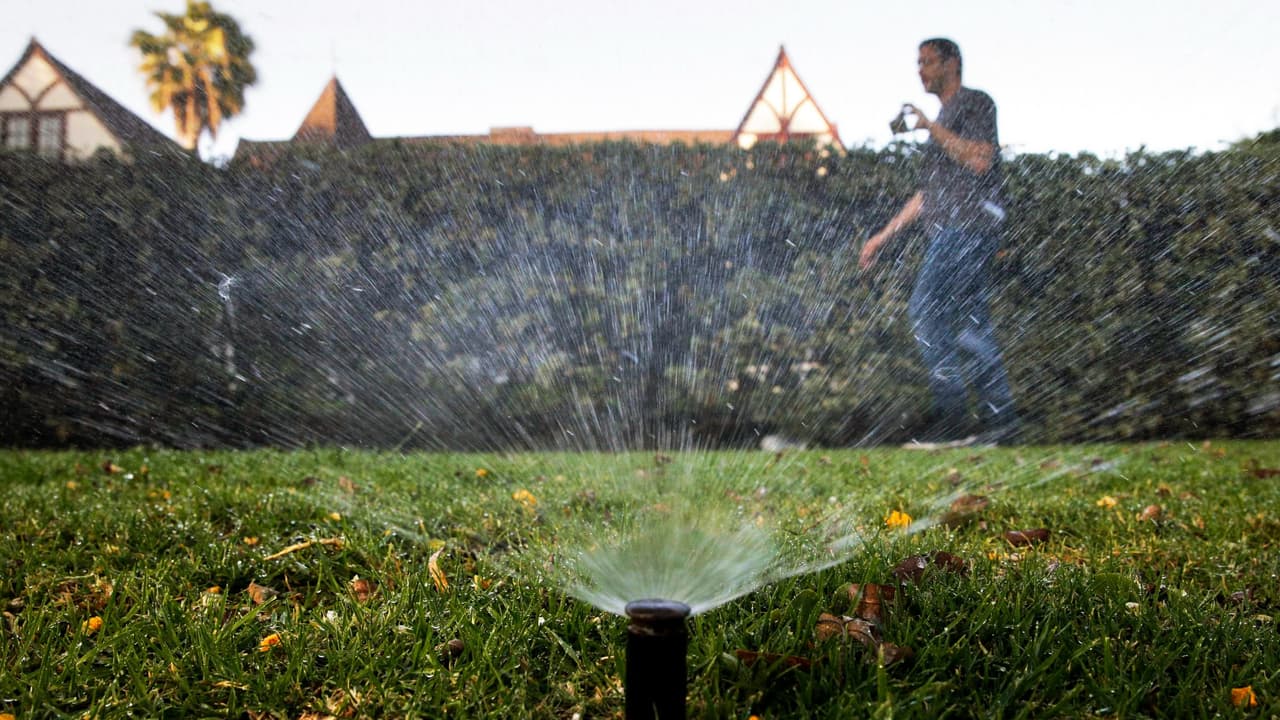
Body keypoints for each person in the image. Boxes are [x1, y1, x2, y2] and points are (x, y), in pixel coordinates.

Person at [858, 38, 1018, 443]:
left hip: (967, 228)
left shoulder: (975, 104)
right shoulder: (946, 117)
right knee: (971, 325)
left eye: (927, 61)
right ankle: (1000, 426)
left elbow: (981, 160)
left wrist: (931, 126)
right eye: (918, 62)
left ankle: (952, 421)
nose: (920, 70)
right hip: (955, 230)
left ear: (952, 63)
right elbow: (928, 195)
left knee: (927, 313)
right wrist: (883, 235)